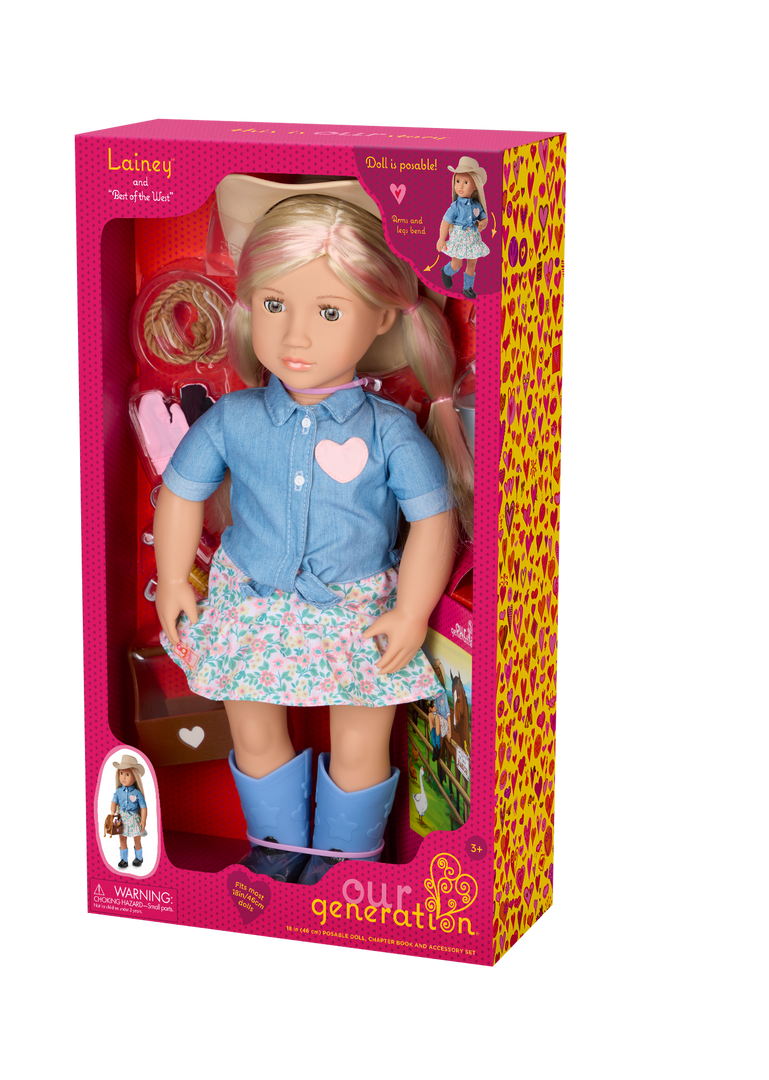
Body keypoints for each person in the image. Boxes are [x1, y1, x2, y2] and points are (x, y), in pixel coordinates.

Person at [153, 184, 474, 885]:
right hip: (250, 601)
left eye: (329, 312)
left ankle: (346, 861)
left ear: (382, 314)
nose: (295, 336)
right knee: (253, 727)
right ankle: (274, 847)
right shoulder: (235, 418)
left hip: (359, 609)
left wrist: (412, 610)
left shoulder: (391, 432)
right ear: (248, 304)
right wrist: (173, 578)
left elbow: (433, 520)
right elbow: (179, 493)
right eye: (275, 305)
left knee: (362, 736)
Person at [436, 157, 495, 298]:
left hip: (473, 238)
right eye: (457, 181)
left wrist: (483, 224)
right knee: (457, 263)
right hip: (459, 239)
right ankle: (446, 271)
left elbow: (484, 218)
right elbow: (445, 222)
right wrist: (441, 238)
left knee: (472, 263)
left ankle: (468, 288)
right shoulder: (455, 206)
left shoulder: (477, 205)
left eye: (466, 182)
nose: (460, 186)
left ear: (475, 186)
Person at [109, 754, 148, 869]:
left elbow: (143, 807)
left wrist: (143, 820)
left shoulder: (137, 793)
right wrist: (112, 812)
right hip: (120, 818)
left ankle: (139, 858)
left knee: (136, 838)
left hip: (133, 819)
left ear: (135, 777)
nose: (123, 777)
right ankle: (123, 859)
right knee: (121, 838)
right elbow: (113, 802)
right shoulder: (118, 791)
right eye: (121, 773)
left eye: (127, 774)